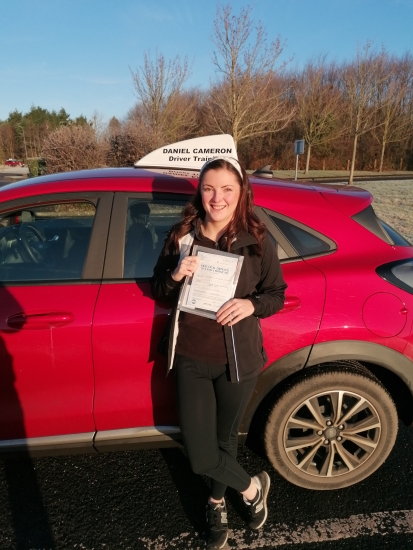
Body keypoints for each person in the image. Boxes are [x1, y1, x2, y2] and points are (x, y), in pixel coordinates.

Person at [151, 157, 287, 549]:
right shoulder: (182, 235)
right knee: (199, 452)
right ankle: (251, 489)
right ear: (200, 190)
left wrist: (250, 306)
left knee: (224, 441)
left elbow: (276, 294)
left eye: (227, 189)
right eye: (209, 188)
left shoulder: (258, 240)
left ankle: (216, 502)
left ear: (241, 192)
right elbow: (158, 287)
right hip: (191, 357)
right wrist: (176, 273)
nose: (217, 197)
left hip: (237, 360)